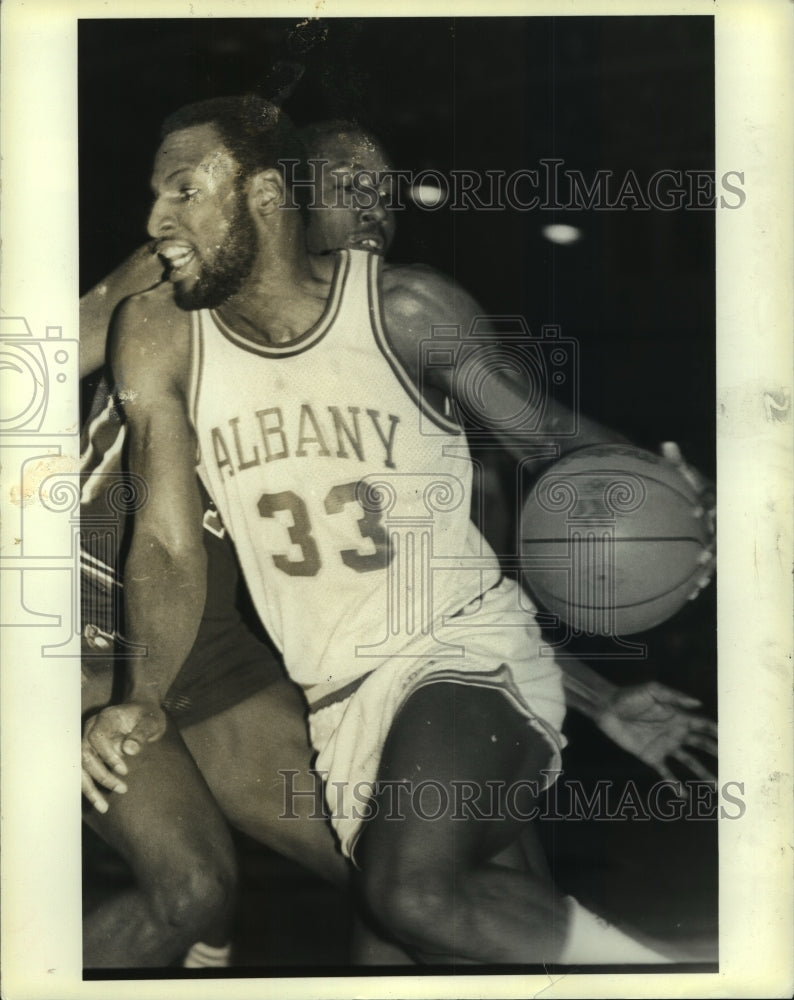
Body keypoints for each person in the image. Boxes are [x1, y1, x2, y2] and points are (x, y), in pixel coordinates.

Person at [81, 95, 715, 965]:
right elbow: (164, 540)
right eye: (352, 184)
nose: (378, 206)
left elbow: (547, 440)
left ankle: (676, 976)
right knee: (435, 941)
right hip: (337, 701)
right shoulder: (168, 328)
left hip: (458, 656)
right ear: (285, 195)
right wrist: (141, 700)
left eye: (387, 189)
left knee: (409, 889)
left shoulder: (408, 312)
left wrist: (682, 498)